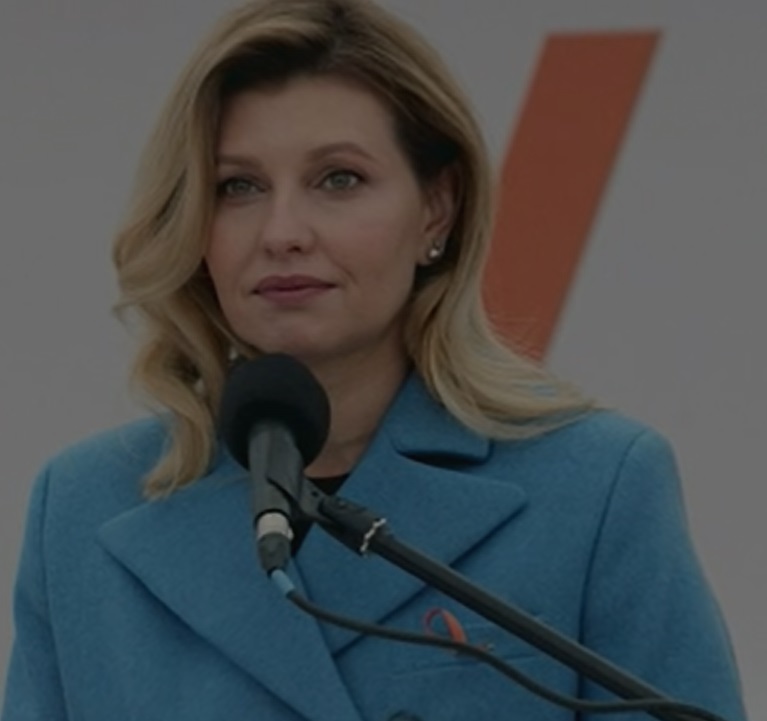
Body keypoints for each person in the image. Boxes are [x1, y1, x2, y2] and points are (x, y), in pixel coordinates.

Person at [2, 0, 747, 719]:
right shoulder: (84, 506)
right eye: (238, 187)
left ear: (437, 208)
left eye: (338, 179)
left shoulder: (595, 486)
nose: (282, 232)